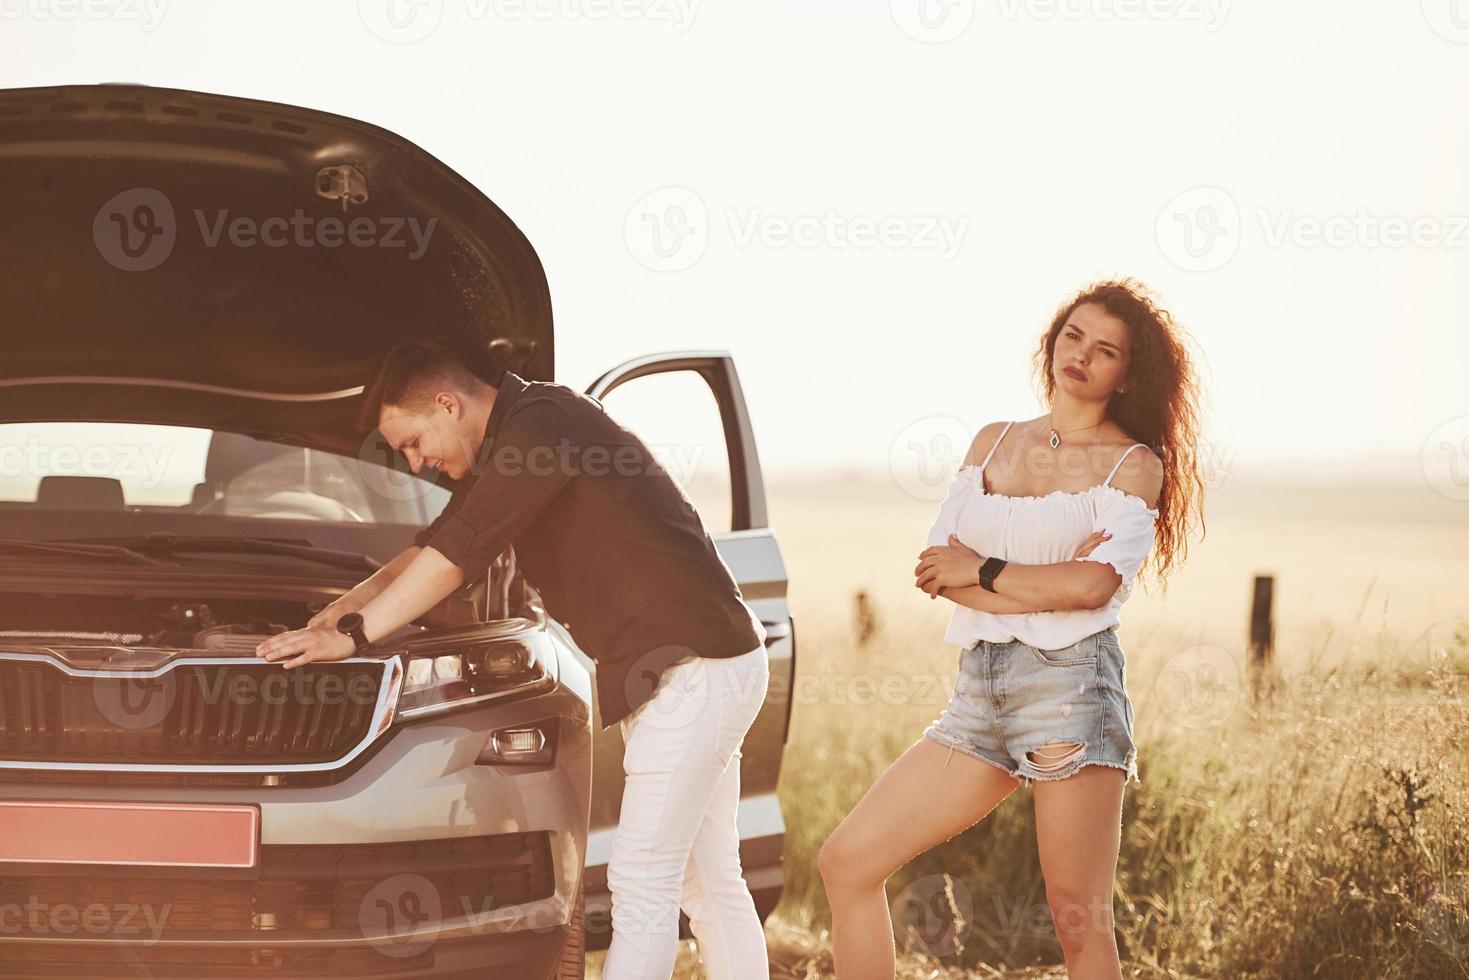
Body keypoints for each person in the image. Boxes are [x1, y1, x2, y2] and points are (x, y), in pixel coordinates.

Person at [254, 340, 772, 980]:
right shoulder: (519, 440)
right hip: (706, 666)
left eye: (414, 441)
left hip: (694, 672)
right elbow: (438, 543)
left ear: (447, 403)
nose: (417, 461)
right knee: (708, 882)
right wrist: (343, 608)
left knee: (642, 882)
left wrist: (356, 638)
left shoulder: (541, 430)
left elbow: (457, 558)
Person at [819, 279, 1206, 980]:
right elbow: (937, 568)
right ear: (1051, 340)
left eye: (1105, 350)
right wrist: (1028, 586)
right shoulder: (992, 441)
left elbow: (1092, 588)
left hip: (1069, 693)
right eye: (1073, 337)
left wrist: (985, 571)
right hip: (977, 697)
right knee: (846, 862)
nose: (1081, 356)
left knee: (1076, 916)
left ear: (1126, 376)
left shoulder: (1132, 465)